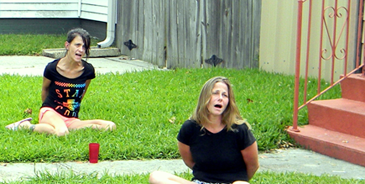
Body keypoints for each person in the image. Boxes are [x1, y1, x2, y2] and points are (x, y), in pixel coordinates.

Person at [5, 28, 116, 136]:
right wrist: (47, 113)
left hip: (71, 118)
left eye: (84, 46)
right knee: (62, 132)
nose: (81, 50)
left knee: (110, 126)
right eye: (77, 45)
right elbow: (45, 90)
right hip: (50, 112)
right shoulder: (52, 68)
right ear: (67, 45)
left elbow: (81, 94)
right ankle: (24, 125)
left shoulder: (88, 70)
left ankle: (55, 127)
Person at [149, 76, 259, 184]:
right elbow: (189, 161)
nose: (220, 98)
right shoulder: (190, 128)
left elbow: (253, 165)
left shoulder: (240, 129)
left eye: (225, 95)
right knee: (156, 177)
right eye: (215, 93)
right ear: (205, 97)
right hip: (201, 183)